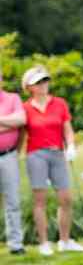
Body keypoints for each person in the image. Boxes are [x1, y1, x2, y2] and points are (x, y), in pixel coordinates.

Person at [21, 66, 83, 257]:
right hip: (36, 155)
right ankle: (43, 243)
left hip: (57, 153)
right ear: (29, 87)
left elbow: (67, 129)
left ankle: (65, 241)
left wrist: (71, 146)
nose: (43, 85)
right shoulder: (25, 108)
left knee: (66, 198)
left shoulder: (59, 103)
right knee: (40, 200)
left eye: (45, 81)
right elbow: (21, 135)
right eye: (38, 83)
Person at [0, 67, 26, 255]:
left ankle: (15, 245)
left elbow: (21, 119)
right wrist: (8, 124)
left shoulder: (13, 99)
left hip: (8, 156)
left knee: (13, 201)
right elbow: (14, 122)